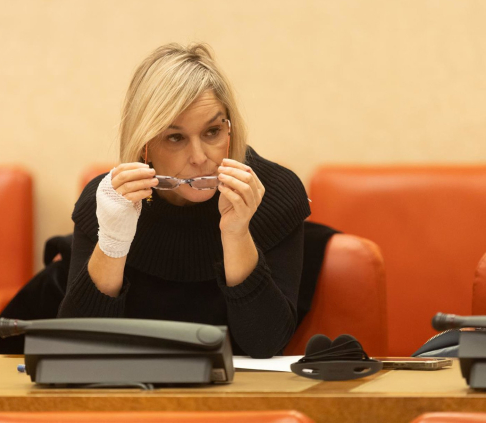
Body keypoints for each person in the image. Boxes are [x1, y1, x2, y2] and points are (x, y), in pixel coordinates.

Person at [58, 43, 311, 358]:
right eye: (175, 137)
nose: (199, 157)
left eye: (212, 131)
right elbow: (77, 347)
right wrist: (113, 240)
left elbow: (266, 344)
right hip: (131, 382)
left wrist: (237, 233)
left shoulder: (274, 192)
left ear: (230, 129)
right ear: (144, 144)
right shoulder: (109, 200)